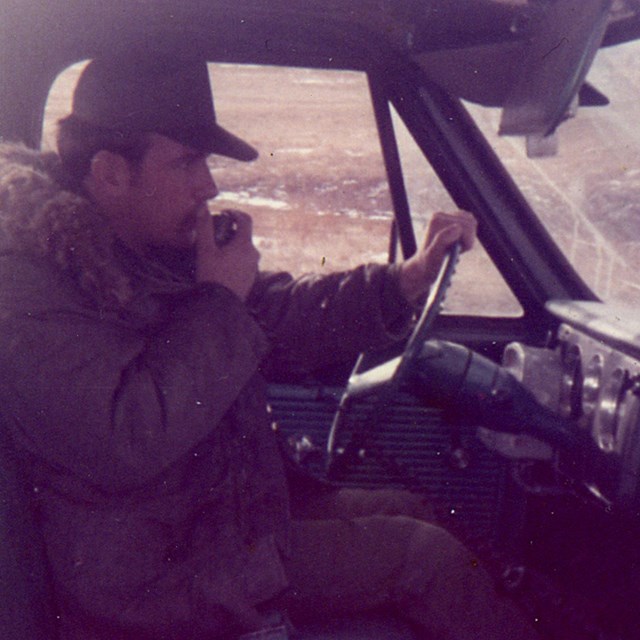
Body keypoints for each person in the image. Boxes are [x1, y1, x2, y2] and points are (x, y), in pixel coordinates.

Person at [0, 57, 539, 640]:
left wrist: (402, 282)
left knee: (413, 509)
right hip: (156, 576)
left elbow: (275, 317)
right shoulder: (30, 287)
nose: (207, 184)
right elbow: (124, 437)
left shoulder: (144, 247)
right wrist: (218, 301)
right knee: (427, 558)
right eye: (186, 161)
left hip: (206, 522)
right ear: (109, 173)